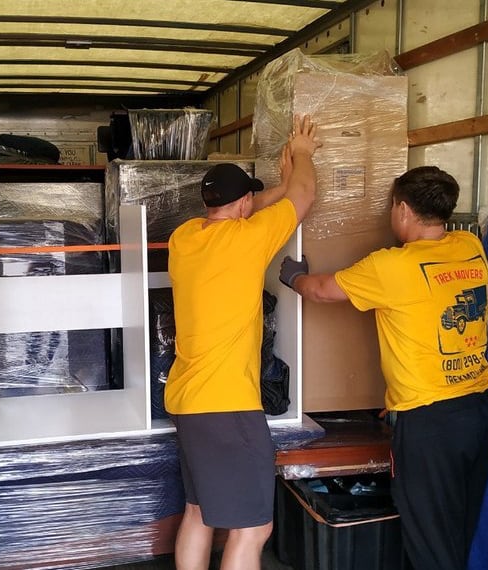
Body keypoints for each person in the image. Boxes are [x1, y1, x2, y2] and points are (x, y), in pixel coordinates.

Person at [279, 166, 488, 570]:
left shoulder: (391, 266)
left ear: (402, 209)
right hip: (480, 411)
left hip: (430, 423)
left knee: (430, 540)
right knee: (460, 528)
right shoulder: (470, 246)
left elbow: (322, 291)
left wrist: (295, 277)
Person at [166, 115, 320, 570]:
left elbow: (262, 204)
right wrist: (305, 154)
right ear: (245, 203)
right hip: (228, 405)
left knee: (199, 512)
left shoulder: (185, 238)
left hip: (189, 400)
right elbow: (303, 198)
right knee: (253, 528)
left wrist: (278, 185)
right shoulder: (248, 239)